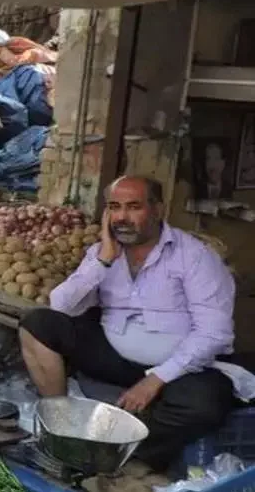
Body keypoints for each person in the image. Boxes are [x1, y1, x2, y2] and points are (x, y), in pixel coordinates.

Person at [18, 175, 253, 473]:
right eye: (114, 207)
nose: (122, 218)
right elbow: (61, 305)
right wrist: (102, 260)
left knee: (204, 404)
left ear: (157, 210)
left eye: (133, 207)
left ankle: (129, 459)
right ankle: (63, 423)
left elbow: (214, 333)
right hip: (116, 355)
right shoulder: (103, 253)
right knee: (38, 324)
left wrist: (154, 380)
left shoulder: (194, 257)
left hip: (178, 368)